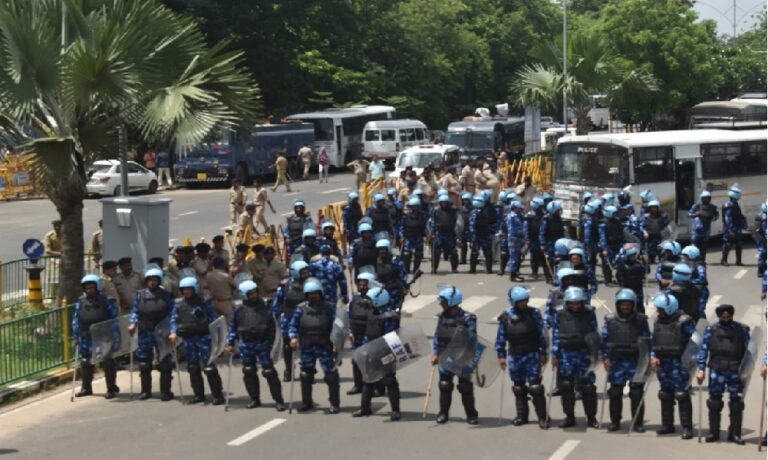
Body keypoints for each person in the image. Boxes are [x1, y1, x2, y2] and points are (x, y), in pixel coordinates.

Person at [226, 280, 286, 411]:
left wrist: (273, 342)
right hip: (246, 344)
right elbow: (233, 326)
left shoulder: (265, 306)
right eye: (250, 294)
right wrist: (230, 342)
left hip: (263, 343)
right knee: (248, 371)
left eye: (254, 293)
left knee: (269, 372)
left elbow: (273, 324)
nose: (253, 296)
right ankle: (254, 399)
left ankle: (279, 400)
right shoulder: (238, 309)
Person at [695, 304, 751, 444]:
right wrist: (700, 369)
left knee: (736, 403)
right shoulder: (711, 330)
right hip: (717, 369)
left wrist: (747, 369)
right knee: (714, 402)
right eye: (723, 316)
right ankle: (714, 433)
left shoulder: (741, 330)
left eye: (728, 315)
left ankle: (735, 434)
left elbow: (749, 351)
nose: (726, 318)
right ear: (719, 316)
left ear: (732, 315)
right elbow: (704, 350)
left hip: (735, 370)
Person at [496, 286, 549, 428]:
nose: (523, 304)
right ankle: (522, 416)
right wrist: (501, 355)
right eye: (520, 302)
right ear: (513, 302)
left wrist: (544, 352)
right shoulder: (505, 316)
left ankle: (543, 417)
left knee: (536, 388)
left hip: (532, 354)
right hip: (515, 355)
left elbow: (542, 334)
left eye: (525, 301)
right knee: (519, 388)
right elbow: (501, 338)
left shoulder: (534, 313)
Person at [169, 277, 224, 405]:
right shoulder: (179, 304)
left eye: (189, 289)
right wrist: (173, 332)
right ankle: (198, 395)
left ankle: (217, 395)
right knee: (192, 368)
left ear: (195, 289)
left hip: (203, 338)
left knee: (209, 367)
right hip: (188, 339)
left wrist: (217, 339)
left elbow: (214, 320)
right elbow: (174, 319)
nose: (186, 292)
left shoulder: (204, 302)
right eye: (184, 290)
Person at [601, 289, 650, 432]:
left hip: (635, 360)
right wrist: (605, 357)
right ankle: (615, 422)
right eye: (622, 304)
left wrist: (646, 360)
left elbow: (647, 341)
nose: (625, 307)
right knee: (615, 392)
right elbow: (604, 340)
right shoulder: (610, 320)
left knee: (636, 393)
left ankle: (637, 422)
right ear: (617, 305)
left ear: (633, 305)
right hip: (617, 361)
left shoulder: (641, 320)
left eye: (628, 304)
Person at [288, 278, 341, 413]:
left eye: (315, 294)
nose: (313, 296)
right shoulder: (300, 309)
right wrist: (293, 337)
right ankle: (307, 402)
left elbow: (338, 325)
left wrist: (337, 342)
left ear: (320, 293)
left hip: (324, 346)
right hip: (307, 346)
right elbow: (293, 325)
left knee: (331, 376)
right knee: (306, 375)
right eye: (310, 294)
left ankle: (334, 403)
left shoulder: (329, 308)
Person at [551, 286, 599, 428]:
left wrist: (595, 353)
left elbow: (594, 333)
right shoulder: (559, 314)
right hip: (567, 354)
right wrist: (555, 354)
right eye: (572, 303)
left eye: (578, 303)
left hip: (584, 354)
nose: (575, 306)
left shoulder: (589, 313)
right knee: (566, 386)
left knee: (588, 387)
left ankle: (591, 418)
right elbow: (555, 335)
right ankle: (569, 417)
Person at [351, 286, 402, 420]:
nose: (368, 302)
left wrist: (396, 355)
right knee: (367, 379)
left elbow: (392, 338)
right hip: (371, 351)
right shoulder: (373, 312)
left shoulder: (388, 317)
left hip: (385, 353)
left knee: (389, 381)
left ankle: (396, 410)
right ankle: (365, 408)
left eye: (370, 300)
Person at [431, 285, 479, 425]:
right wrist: (435, 353)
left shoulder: (468, 318)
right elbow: (437, 336)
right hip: (445, 357)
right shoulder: (441, 317)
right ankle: (443, 413)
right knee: (445, 385)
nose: (440, 303)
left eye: (443, 301)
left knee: (465, 387)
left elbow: (472, 338)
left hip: (462, 358)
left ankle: (471, 415)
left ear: (452, 301)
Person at [650, 293, 695, 439]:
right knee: (665, 394)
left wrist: (691, 362)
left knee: (681, 395)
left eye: (660, 309)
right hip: (663, 362)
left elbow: (693, 343)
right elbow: (654, 340)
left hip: (679, 362)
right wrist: (653, 356)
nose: (658, 312)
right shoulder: (658, 321)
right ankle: (667, 425)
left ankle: (687, 427)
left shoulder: (685, 322)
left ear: (669, 309)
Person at [128, 268, 175, 401]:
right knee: (144, 363)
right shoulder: (140, 295)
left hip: (162, 332)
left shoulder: (166, 295)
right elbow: (135, 311)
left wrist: (172, 330)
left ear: (159, 281)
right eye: (149, 280)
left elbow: (173, 313)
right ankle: (145, 391)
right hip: (145, 331)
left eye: (154, 280)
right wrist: (132, 323)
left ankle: (165, 392)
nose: (152, 283)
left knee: (165, 363)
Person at [72, 275, 120, 399]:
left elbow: (114, 320)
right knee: (85, 362)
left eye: (92, 287)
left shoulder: (107, 301)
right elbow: (76, 320)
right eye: (87, 288)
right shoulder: (81, 301)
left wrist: (115, 337)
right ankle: (86, 388)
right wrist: (76, 336)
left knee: (107, 362)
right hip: (86, 336)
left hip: (103, 336)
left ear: (96, 287)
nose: (89, 290)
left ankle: (111, 388)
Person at [346, 272, 377, 395]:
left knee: (370, 361)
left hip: (369, 334)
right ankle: (357, 385)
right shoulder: (355, 299)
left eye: (365, 284)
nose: (362, 286)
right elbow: (349, 316)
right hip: (356, 333)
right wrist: (350, 332)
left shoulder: (377, 299)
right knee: (356, 360)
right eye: (360, 284)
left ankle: (374, 386)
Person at [374, 239, 407, 312]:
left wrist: (405, 287)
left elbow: (403, 274)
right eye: (380, 249)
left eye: (383, 249)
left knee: (394, 311)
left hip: (393, 289)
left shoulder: (395, 260)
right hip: (379, 289)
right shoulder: (376, 260)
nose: (381, 251)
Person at [429, 194, 459, 274]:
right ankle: (434, 268)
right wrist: (432, 233)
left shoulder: (453, 211)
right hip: (439, 234)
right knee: (436, 252)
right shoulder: (435, 211)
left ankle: (454, 268)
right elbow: (432, 222)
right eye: (442, 202)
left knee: (453, 252)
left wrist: (457, 233)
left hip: (450, 233)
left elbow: (458, 222)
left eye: (445, 202)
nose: (444, 204)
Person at [469, 194, 496, 274]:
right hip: (477, 235)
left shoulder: (488, 211)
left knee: (488, 252)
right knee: (474, 253)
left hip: (485, 234)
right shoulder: (474, 212)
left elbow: (492, 222)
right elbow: (472, 226)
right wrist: (473, 236)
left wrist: (492, 232)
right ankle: (472, 269)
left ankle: (489, 269)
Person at [615, 244, 647, 312]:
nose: (633, 257)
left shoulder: (639, 264)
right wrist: (621, 285)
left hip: (638, 288)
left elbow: (646, 272)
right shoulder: (623, 264)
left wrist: (646, 262)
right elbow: (618, 275)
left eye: (634, 255)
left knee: (639, 305)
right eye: (631, 256)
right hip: (627, 287)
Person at [689, 191, 719, 262]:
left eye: (708, 198)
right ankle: (694, 260)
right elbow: (690, 214)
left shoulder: (712, 207)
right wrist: (696, 214)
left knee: (704, 246)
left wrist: (715, 218)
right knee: (695, 246)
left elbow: (717, 214)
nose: (707, 200)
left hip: (706, 230)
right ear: (702, 198)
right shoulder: (697, 206)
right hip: (696, 230)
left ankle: (702, 261)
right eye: (705, 198)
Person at [682, 245, 709, 323]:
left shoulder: (699, 265)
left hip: (701, 291)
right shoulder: (688, 263)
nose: (684, 258)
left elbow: (702, 278)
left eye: (685, 256)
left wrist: (689, 281)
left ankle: (703, 329)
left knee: (699, 311)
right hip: (691, 291)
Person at [205, 257, 237, 322]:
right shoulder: (226, 276)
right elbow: (235, 286)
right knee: (229, 323)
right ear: (223, 265)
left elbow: (206, 286)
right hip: (225, 302)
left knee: (217, 324)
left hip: (214, 302)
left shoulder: (208, 275)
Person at [400, 196, 427, 274]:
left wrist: (426, 236)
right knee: (407, 254)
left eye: (416, 207)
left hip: (418, 236)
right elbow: (402, 226)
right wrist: (402, 236)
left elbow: (425, 226)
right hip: (408, 237)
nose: (414, 209)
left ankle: (416, 269)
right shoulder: (406, 216)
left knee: (418, 254)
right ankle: (406, 269)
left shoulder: (422, 215)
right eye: (413, 207)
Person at [721, 185, 747, 266]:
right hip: (731, 229)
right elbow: (728, 219)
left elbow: (738, 216)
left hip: (737, 228)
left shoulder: (734, 204)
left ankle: (738, 261)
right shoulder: (729, 205)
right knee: (728, 244)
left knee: (739, 244)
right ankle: (724, 260)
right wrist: (730, 230)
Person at [540, 201, 565, 282]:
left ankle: (557, 276)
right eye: (558, 210)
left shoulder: (558, 218)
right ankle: (549, 277)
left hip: (559, 242)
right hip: (549, 242)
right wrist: (543, 244)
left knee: (558, 260)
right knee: (549, 260)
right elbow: (542, 232)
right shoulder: (546, 219)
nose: (560, 211)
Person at [598, 205, 623, 285]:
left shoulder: (617, 222)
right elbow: (602, 237)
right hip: (608, 245)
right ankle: (608, 279)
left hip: (618, 244)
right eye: (614, 213)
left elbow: (621, 233)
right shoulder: (603, 224)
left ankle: (619, 278)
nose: (615, 215)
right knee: (607, 263)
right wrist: (604, 248)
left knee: (620, 261)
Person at [504, 201, 526, 281]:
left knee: (518, 257)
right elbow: (511, 229)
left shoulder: (520, 216)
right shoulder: (511, 216)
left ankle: (516, 273)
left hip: (520, 239)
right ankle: (512, 275)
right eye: (518, 208)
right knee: (513, 258)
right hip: (514, 238)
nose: (519, 209)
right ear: (513, 208)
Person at [458, 193, 473, 265]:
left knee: (473, 244)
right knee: (463, 244)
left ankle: (473, 259)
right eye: (464, 200)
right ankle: (463, 259)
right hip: (464, 227)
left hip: (471, 228)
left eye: (467, 200)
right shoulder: (461, 208)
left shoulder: (473, 208)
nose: (465, 202)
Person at [755, 201, 767, 278]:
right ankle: (760, 271)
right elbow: (766, 230)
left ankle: (761, 270)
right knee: (763, 253)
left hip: (757, 236)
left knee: (763, 253)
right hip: (760, 237)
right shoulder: (765, 216)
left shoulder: (760, 214)